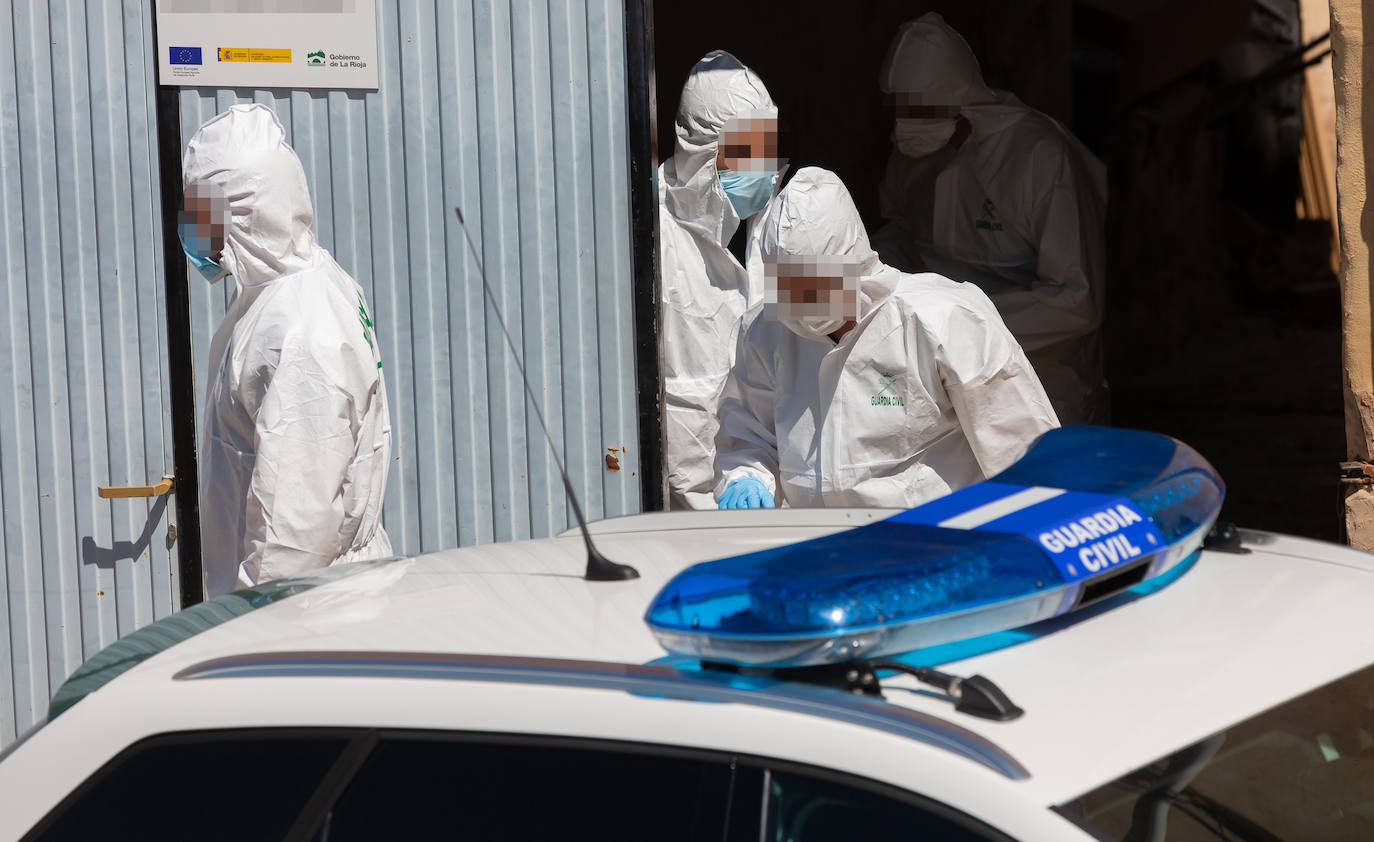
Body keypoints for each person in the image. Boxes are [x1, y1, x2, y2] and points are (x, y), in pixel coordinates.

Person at [715, 167, 1058, 509]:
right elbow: (749, 433)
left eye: (816, 283)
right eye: (790, 287)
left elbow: (1022, 448)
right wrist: (747, 476)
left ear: (854, 261)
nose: (803, 302)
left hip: (933, 543)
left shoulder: (943, 319)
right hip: (817, 546)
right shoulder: (765, 331)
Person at [180, 104, 393, 596]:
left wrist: (253, 629)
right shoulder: (305, 283)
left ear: (240, 214)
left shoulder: (296, 329)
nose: (188, 229)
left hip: (309, 611)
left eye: (196, 213)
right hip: (323, 596)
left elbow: (293, 532)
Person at [872, 13, 1109, 425]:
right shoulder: (914, 153)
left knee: (1037, 485)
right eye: (899, 109)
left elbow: (1076, 301)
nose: (906, 122)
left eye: (920, 109)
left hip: (1041, 382)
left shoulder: (1037, 158)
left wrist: (959, 323)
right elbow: (903, 231)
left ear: (963, 102)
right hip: (939, 372)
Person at [659, 50, 784, 509]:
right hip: (690, 508)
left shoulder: (779, 222)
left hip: (773, 487)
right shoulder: (654, 240)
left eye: (767, 150)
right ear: (703, 151)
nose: (763, 170)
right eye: (749, 154)